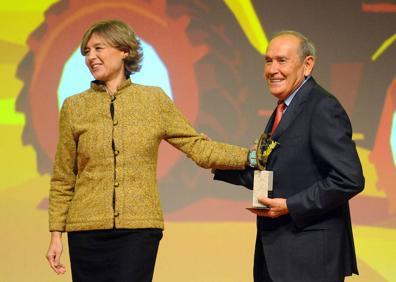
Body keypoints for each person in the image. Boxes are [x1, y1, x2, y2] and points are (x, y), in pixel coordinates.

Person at [45, 19, 250, 282]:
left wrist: (251, 157)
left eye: (98, 48)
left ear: (124, 51)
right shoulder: (74, 107)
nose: (90, 57)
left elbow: (199, 149)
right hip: (85, 232)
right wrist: (55, 235)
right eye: (86, 52)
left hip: (138, 230)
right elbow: (63, 176)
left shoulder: (154, 100)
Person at [214, 31, 365, 282]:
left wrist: (291, 206)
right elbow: (274, 175)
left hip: (310, 256)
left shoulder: (322, 107)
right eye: (268, 60)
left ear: (308, 65)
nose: (272, 69)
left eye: (282, 61)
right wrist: (214, 159)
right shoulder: (284, 109)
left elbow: (349, 179)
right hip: (277, 254)